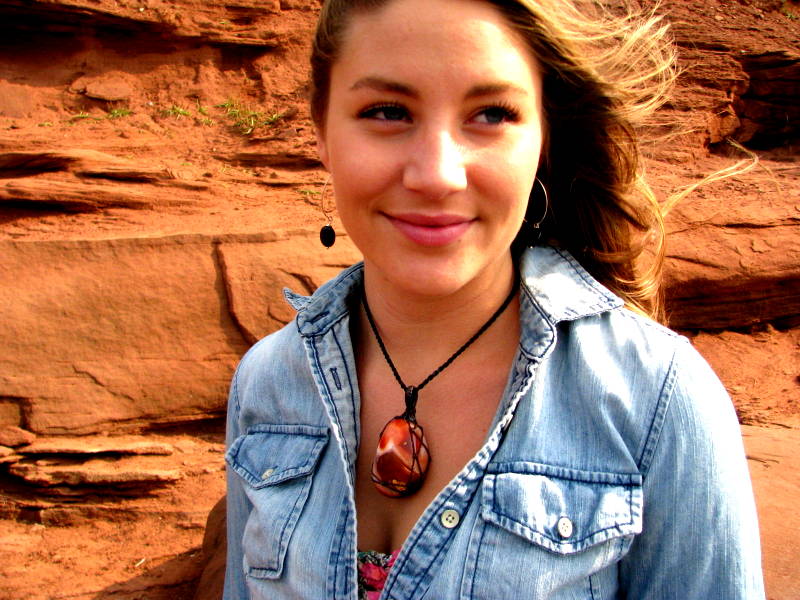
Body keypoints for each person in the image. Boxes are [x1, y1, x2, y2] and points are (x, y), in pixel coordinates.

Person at [224, 0, 765, 598]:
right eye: (386, 111)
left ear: (543, 138)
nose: (437, 175)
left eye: (490, 114)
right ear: (321, 130)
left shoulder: (657, 397)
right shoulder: (268, 381)